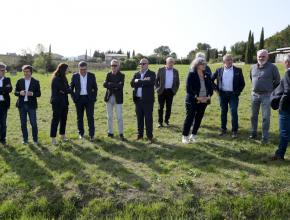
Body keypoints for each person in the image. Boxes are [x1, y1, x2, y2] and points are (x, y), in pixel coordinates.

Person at [250, 49, 280, 143]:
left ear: (267, 57)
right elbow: (251, 78)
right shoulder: (253, 67)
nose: (261, 58)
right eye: (259, 56)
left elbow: (277, 81)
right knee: (253, 116)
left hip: (267, 96)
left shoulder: (273, 67)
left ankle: (265, 137)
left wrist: (271, 92)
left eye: (263, 56)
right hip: (254, 95)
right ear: (257, 57)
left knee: (265, 117)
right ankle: (253, 133)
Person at [212, 54, 245, 138]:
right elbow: (210, 80)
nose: (229, 61)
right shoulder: (219, 70)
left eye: (231, 59)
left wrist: (237, 92)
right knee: (223, 112)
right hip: (222, 94)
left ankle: (234, 130)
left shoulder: (238, 70)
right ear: (224, 61)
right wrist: (216, 90)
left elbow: (242, 84)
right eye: (227, 60)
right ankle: (223, 128)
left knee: (234, 111)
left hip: (233, 95)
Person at [182, 58, 213, 144]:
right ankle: (185, 136)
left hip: (204, 100)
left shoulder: (207, 74)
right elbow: (188, 89)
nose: (204, 65)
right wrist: (197, 97)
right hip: (192, 100)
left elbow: (210, 88)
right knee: (190, 117)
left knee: (199, 118)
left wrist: (208, 96)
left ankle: (193, 135)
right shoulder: (191, 74)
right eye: (202, 64)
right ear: (197, 65)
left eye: (205, 63)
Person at [71, 61, 98, 141]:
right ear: (78, 68)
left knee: (90, 117)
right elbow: (71, 88)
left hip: (89, 99)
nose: (83, 71)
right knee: (79, 117)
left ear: (87, 68)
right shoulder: (75, 76)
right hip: (79, 99)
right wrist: (74, 98)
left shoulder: (92, 76)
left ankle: (91, 135)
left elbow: (95, 88)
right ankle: (81, 133)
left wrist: (93, 98)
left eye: (84, 69)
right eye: (81, 69)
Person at [130, 58, 156, 143]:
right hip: (138, 100)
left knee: (148, 119)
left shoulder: (152, 74)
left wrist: (139, 81)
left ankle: (149, 137)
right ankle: (140, 135)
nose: (142, 65)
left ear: (148, 64)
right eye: (140, 64)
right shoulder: (136, 74)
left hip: (148, 101)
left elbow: (150, 83)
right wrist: (143, 81)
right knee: (139, 118)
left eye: (144, 63)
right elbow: (132, 83)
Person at [15, 65, 41, 144]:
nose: (26, 73)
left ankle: (35, 139)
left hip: (31, 105)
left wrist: (32, 93)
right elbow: (15, 92)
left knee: (33, 123)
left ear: (31, 72)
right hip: (22, 105)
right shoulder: (19, 81)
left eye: (27, 71)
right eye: (24, 71)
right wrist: (19, 93)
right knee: (23, 123)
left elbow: (39, 94)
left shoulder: (36, 82)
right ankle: (25, 139)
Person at [271, 54, 290, 160]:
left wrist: (281, 106)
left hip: (286, 108)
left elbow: (287, 92)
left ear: (287, 62)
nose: (283, 63)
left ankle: (280, 154)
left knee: (284, 132)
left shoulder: (288, 73)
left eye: (283, 61)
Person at [103, 59, 125, 141]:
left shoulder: (122, 75)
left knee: (119, 117)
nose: (113, 67)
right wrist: (115, 85)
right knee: (109, 117)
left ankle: (121, 133)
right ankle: (110, 132)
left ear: (118, 66)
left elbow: (121, 86)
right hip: (109, 97)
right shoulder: (108, 74)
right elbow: (104, 84)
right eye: (112, 65)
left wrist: (110, 84)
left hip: (118, 98)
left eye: (115, 65)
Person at [155, 57, 180, 127]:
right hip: (161, 91)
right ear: (166, 62)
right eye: (169, 62)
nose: (171, 64)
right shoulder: (160, 70)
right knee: (160, 107)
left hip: (170, 91)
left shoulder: (176, 71)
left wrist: (174, 91)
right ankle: (160, 122)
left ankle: (166, 121)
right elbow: (156, 80)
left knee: (169, 107)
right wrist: (157, 88)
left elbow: (177, 83)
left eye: (172, 63)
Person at [50, 63, 71, 145]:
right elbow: (66, 89)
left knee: (64, 119)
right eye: (66, 70)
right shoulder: (56, 79)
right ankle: (53, 138)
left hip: (65, 102)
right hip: (57, 103)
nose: (67, 71)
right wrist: (65, 90)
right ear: (62, 70)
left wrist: (65, 90)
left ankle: (62, 135)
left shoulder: (64, 78)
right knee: (55, 120)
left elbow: (67, 89)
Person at [0, 62, 12, 145]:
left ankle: (3, 139)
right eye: (1, 70)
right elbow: (5, 89)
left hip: (4, 104)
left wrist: (2, 90)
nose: (3, 72)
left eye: (4, 70)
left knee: (3, 123)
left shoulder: (7, 79)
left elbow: (9, 89)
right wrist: (3, 89)